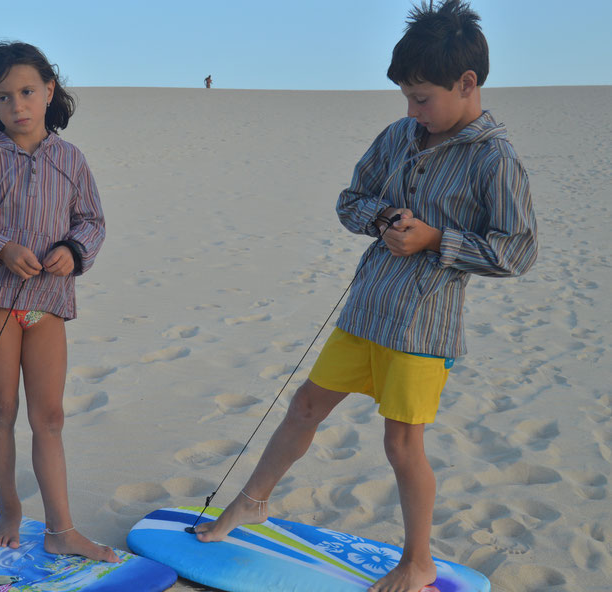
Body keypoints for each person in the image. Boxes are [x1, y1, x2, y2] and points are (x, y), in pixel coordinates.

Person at [194, 2, 537, 591]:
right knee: (305, 406)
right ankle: (253, 501)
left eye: (422, 98)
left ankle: (418, 561)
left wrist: (435, 239)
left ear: (467, 83)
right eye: (405, 97)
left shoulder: (494, 158)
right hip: (366, 309)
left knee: (401, 444)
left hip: (423, 327)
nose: (412, 111)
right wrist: (382, 219)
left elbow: (517, 252)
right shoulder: (401, 134)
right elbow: (351, 198)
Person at [0, 42, 117, 563]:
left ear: (48, 92)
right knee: (2, 406)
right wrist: (0, 250)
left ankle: (61, 529)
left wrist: (71, 250)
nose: (17, 104)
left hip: (48, 303)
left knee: (50, 415)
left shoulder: (70, 159)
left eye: (27, 92)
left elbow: (92, 221)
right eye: (3, 96)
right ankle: (10, 509)